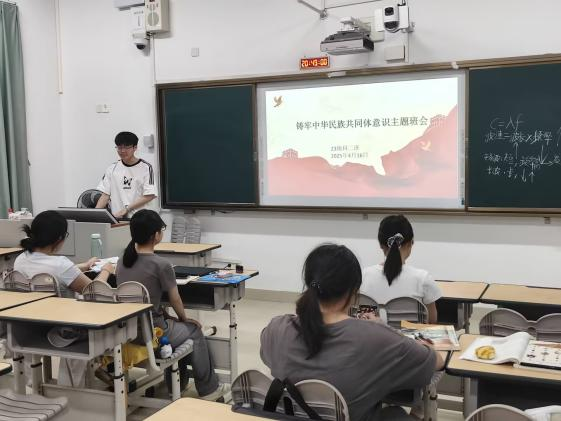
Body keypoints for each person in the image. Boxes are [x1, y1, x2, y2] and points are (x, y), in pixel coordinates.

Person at [260, 243, 444, 421]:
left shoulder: (277, 328)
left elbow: (268, 357)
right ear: (354, 291)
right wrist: (384, 329)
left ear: (309, 283)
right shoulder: (377, 338)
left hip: (289, 414)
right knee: (396, 412)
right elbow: (435, 363)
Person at [115, 209, 226, 401]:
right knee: (194, 331)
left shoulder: (122, 262)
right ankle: (209, 390)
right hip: (154, 333)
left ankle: (176, 385)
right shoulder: (161, 264)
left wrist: (171, 318)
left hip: (126, 332)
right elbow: (175, 299)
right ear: (155, 235)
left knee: (177, 328)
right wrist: (184, 319)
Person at [362, 215, 441, 324]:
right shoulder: (423, 279)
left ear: (381, 245)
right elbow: (431, 322)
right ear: (411, 243)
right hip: (410, 336)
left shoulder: (363, 276)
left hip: (372, 335)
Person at [14, 210, 114, 297]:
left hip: (30, 311)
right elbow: (95, 292)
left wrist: (85, 266)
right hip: (63, 312)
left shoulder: (20, 259)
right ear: (59, 238)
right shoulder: (60, 264)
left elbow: (54, 271)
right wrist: (106, 270)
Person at [95, 131, 157, 219]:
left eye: (126, 147)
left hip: (140, 219)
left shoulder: (146, 168)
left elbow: (150, 195)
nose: (122, 151)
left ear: (135, 148)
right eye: (119, 147)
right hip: (118, 219)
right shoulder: (112, 168)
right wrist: (94, 215)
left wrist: (127, 209)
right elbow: (105, 195)